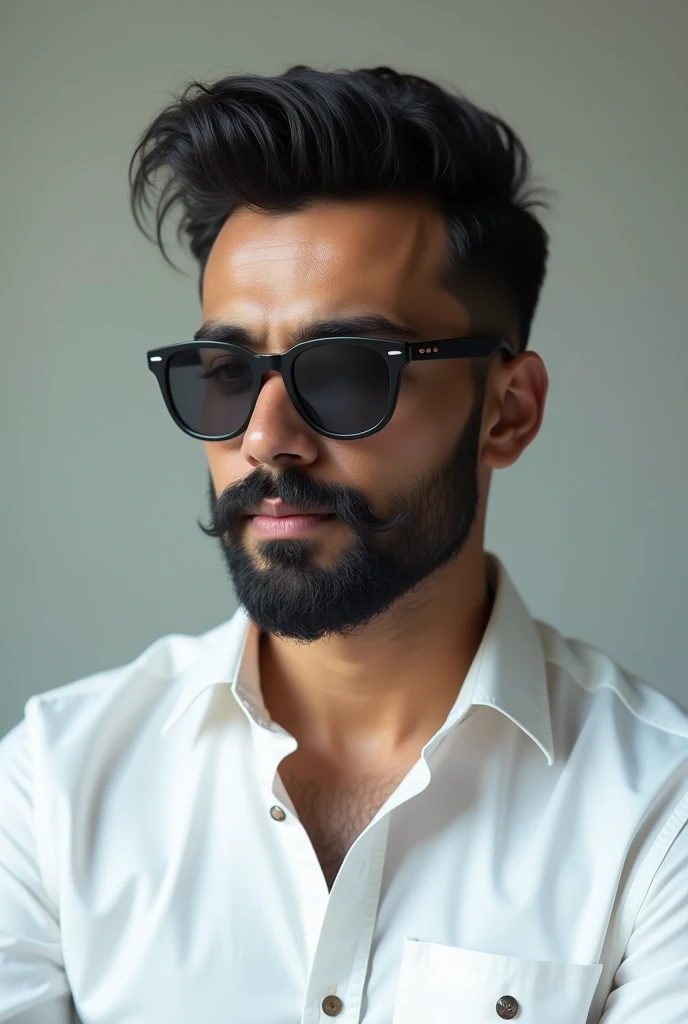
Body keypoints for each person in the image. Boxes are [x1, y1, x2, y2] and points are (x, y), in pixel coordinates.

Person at [1, 65, 686, 1024]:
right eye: (225, 372)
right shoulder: (52, 788)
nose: (266, 437)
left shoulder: (662, 814)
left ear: (508, 409)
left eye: (353, 373)